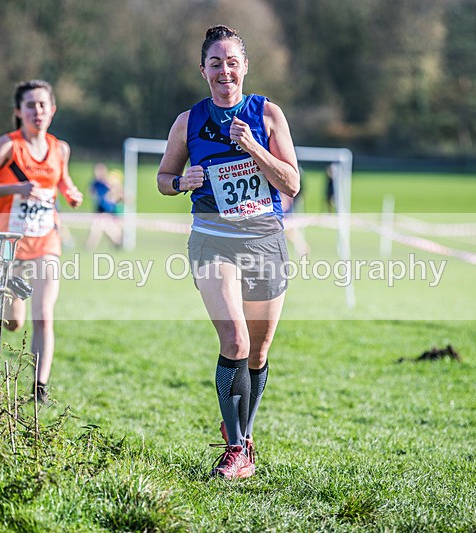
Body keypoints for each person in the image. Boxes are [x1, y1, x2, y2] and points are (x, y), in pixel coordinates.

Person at [156, 25, 300, 480]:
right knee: (234, 340)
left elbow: (292, 183)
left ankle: (245, 437)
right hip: (212, 239)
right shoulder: (188, 120)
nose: (224, 70)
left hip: (264, 239)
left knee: (257, 352)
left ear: (244, 67)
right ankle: (235, 448)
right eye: (215, 63)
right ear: (203, 70)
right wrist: (182, 182)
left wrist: (253, 146)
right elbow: (163, 178)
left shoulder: (267, 114)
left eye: (231, 62)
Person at [0, 79, 83, 403]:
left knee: (44, 315)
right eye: (30, 105)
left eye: (42, 105)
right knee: (14, 322)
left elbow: (62, 183)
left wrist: (71, 193)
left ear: (52, 110)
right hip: (10, 244)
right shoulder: (8, 146)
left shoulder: (59, 148)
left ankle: (39, 390)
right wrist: (15, 189)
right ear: (18, 112)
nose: (37, 111)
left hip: (46, 240)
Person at [85, 162, 124, 250]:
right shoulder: (96, 183)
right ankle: (89, 247)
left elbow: (119, 194)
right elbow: (91, 191)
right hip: (100, 211)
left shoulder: (109, 183)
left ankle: (118, 242)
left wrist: (114, 191)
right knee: (95, 230)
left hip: (109, 212)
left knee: (110, 232)